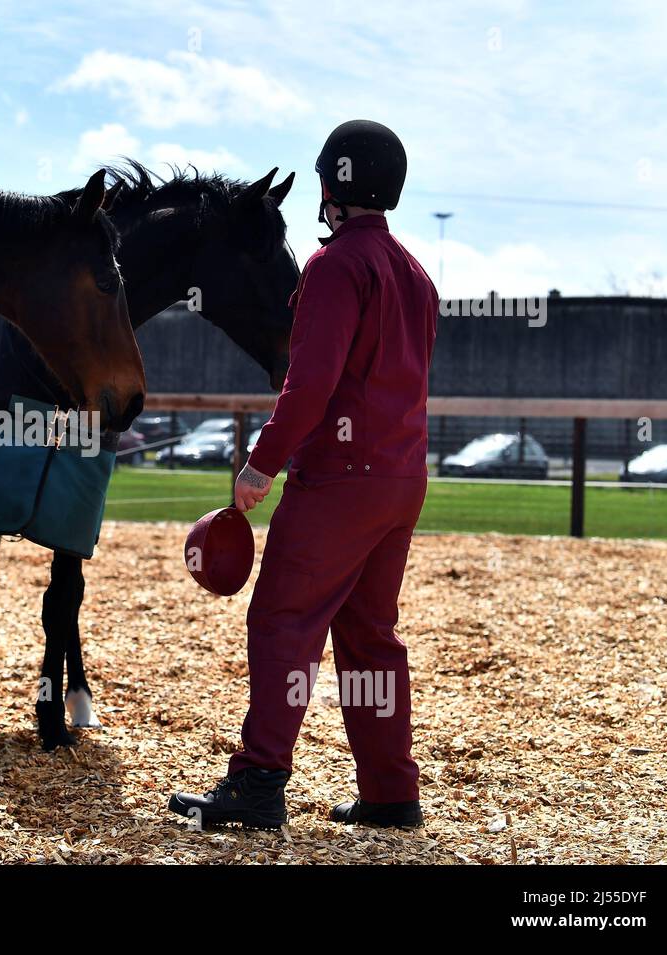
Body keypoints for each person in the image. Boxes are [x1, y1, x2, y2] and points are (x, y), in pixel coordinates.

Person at [169, 120, 439, 830]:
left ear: (330, 187)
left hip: (341, 479)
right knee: (371, 635)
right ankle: (390, 789)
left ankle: (259, 781)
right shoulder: (417, 274)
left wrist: (262, 460)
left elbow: (309, 384)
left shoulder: (333, 267)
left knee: (283, 619)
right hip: (402, 477)